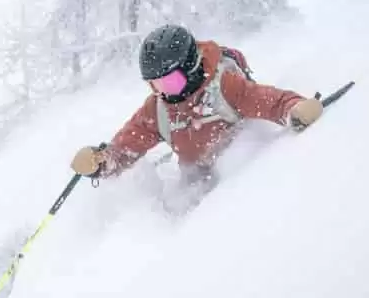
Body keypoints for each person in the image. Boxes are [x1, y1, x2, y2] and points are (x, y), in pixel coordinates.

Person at [70, 24, 324, 188]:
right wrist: (100, 162)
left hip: (240, 178)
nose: (163, 91)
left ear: (191, 68)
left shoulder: (225, 86)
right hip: (195, 186)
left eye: (170, 82)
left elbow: (271, 101)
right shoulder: (158, 109)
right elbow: (126, 148)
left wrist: (295, 109)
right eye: (154, 84)